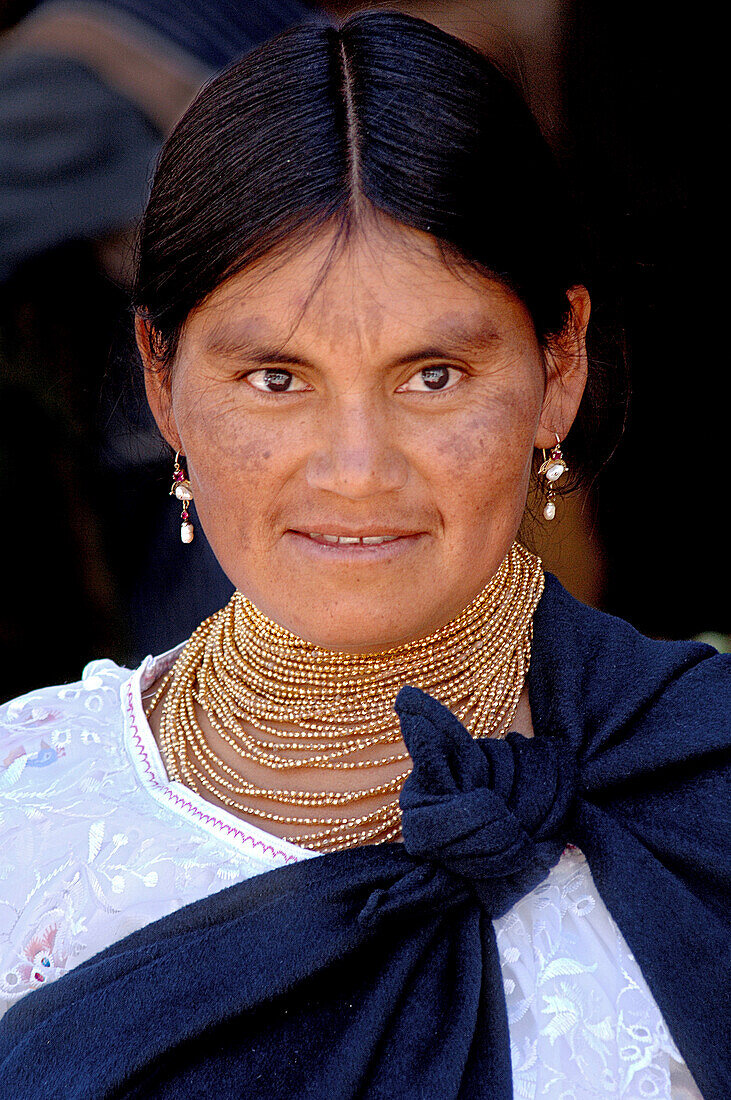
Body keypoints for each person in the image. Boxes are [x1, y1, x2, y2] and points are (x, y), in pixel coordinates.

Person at [0, 12, 727, 1099]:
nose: (353, 469)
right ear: (162, 379)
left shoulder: (703, 781)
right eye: (276, 378)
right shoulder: (24, 811)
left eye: (431, 374)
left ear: (558, 364)